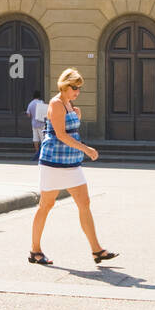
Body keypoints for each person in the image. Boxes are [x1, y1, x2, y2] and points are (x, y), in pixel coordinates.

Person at [29, 68, 117, 266]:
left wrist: (77, 114)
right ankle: (35, 250)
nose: (77, 91)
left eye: (79, 88)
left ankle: (97, 250)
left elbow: (70, 130)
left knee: (84, 202)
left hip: (71, 163)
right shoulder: (56, 103)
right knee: (46, 205)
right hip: (53, 163)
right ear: (64, 85)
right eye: (74, 87)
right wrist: (86, 149)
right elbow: (60, 134)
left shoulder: (69, 105)